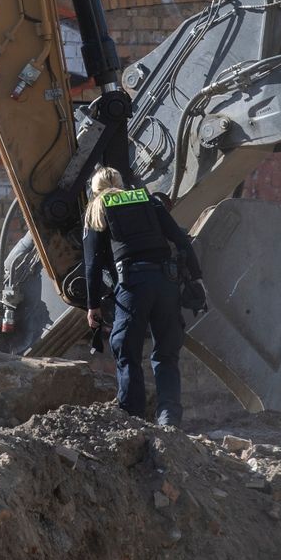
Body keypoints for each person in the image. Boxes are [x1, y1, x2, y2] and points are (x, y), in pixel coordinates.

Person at [81, 166, 205, 428]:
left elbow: (91, 264)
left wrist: (92, 306)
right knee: (166, 352)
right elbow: (180, 239)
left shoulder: (98, 207)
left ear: (95, 189)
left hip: (133, 287)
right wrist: (196, 277)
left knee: (127, 351)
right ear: (121, 182)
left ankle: (131, 417)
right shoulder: (146, 199)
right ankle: (169, 417)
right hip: (166, 283)